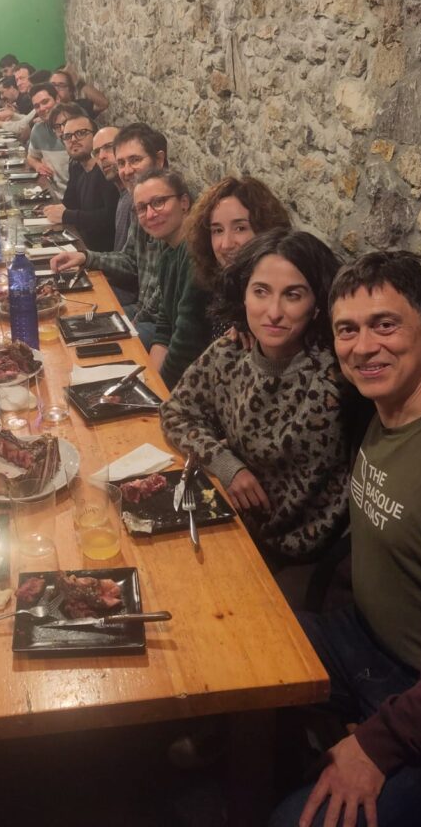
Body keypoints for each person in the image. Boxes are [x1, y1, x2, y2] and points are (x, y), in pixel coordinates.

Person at [270, 251, 421, 827]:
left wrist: (382, 740)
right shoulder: (384, 401)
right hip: (358, 638)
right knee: (235, 651)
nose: (363, 347)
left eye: (385, 324)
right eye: (347, 330)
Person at [161, 228, 352, 564]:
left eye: (293, 295)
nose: (273, 312)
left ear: (317, 305)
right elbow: (175, 410)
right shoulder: (231, 351)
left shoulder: (340, 372)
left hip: (305, 556)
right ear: (244, 295)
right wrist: (226, 465)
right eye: (261, 291)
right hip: (232, 524)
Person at [49, 122, 168, 347]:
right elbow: (130, 260)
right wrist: (85, 257)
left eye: (135, 160)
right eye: (122, 162)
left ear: (159, 160)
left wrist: (123, 324)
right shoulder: (137, 203)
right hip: (141, 311)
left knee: (79, 333)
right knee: (64, 317)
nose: (126, 170)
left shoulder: (169, 209)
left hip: (157, 325)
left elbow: (162, 305)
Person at [131, 169, 211, 389]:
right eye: (141, 208)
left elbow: (187, 342)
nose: (150, 214)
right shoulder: (169, 253)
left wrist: (160, 393)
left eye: (159, 202)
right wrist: (151, 384)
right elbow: (165, 326)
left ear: (184, 203)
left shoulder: (195, 253)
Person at [187, 175, 292, 341]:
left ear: (265, 229)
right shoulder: (221, 284)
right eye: (218, 230)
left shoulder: (281, 292)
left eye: (240, 228)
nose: (226, 244)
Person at [43, 113, 119, 251]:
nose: (73, 140)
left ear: (95, 136)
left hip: (101, 253)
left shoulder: (106, 171)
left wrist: (67, 215)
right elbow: (69, 203)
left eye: (81, 133)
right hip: (81, 245)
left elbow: (110, 217)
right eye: (67, 136)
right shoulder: (77, 166)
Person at [26, 83, 70, 194]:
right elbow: (31, 157)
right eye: (37, 106)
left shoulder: (75, 128)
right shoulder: (38, 130)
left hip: (76, 198)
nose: (42, 108)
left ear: (57, 99)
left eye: (45, 102)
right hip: (52, 194)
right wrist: (37, 165)